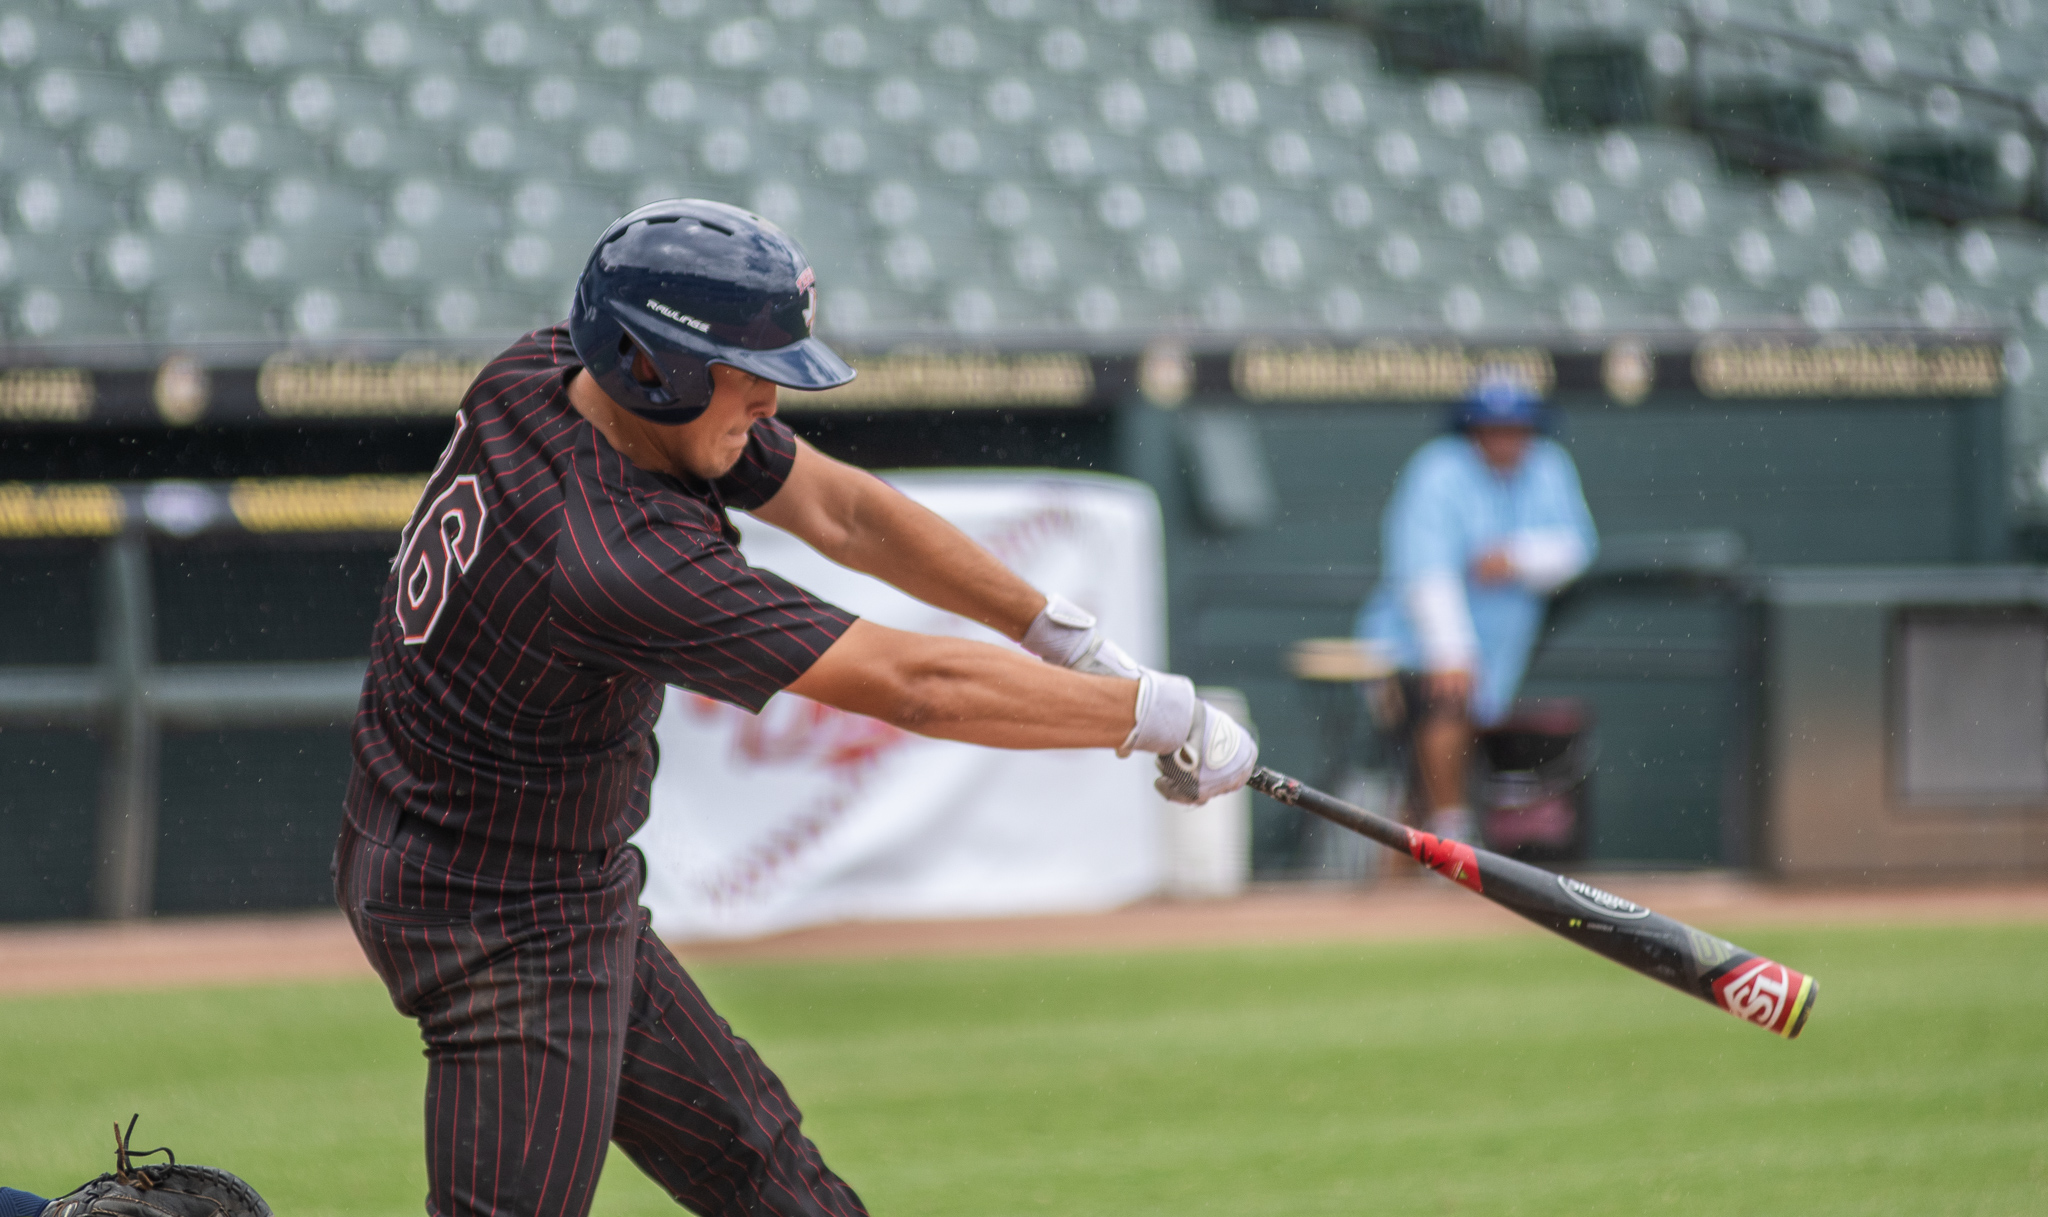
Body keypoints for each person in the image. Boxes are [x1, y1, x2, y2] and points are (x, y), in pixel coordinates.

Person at [335, 198, 1255, 1217]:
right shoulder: (617, 557)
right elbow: (915, 685)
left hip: (498, 866)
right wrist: (1151, 714)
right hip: (499, 915)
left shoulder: (544, 370)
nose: (771, 400)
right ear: (652, 365)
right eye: (747, 371)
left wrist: (1052, 628)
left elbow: (843, 510)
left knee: (769, 1177)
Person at [1354, 372, 1596, 845]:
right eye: (1492, 429)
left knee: (1420, 786)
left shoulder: (1549, 466)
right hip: (1409, 650)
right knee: (1444, 716)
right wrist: (1450, 650)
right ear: (1471, 430)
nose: (1505, 441)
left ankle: (1437, 854)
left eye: (1516, 429)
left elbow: (1577, 548)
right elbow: (1424, 571)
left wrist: (1516, 558)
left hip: (1497, 653)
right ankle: (1453, 838)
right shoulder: (1438, 471)